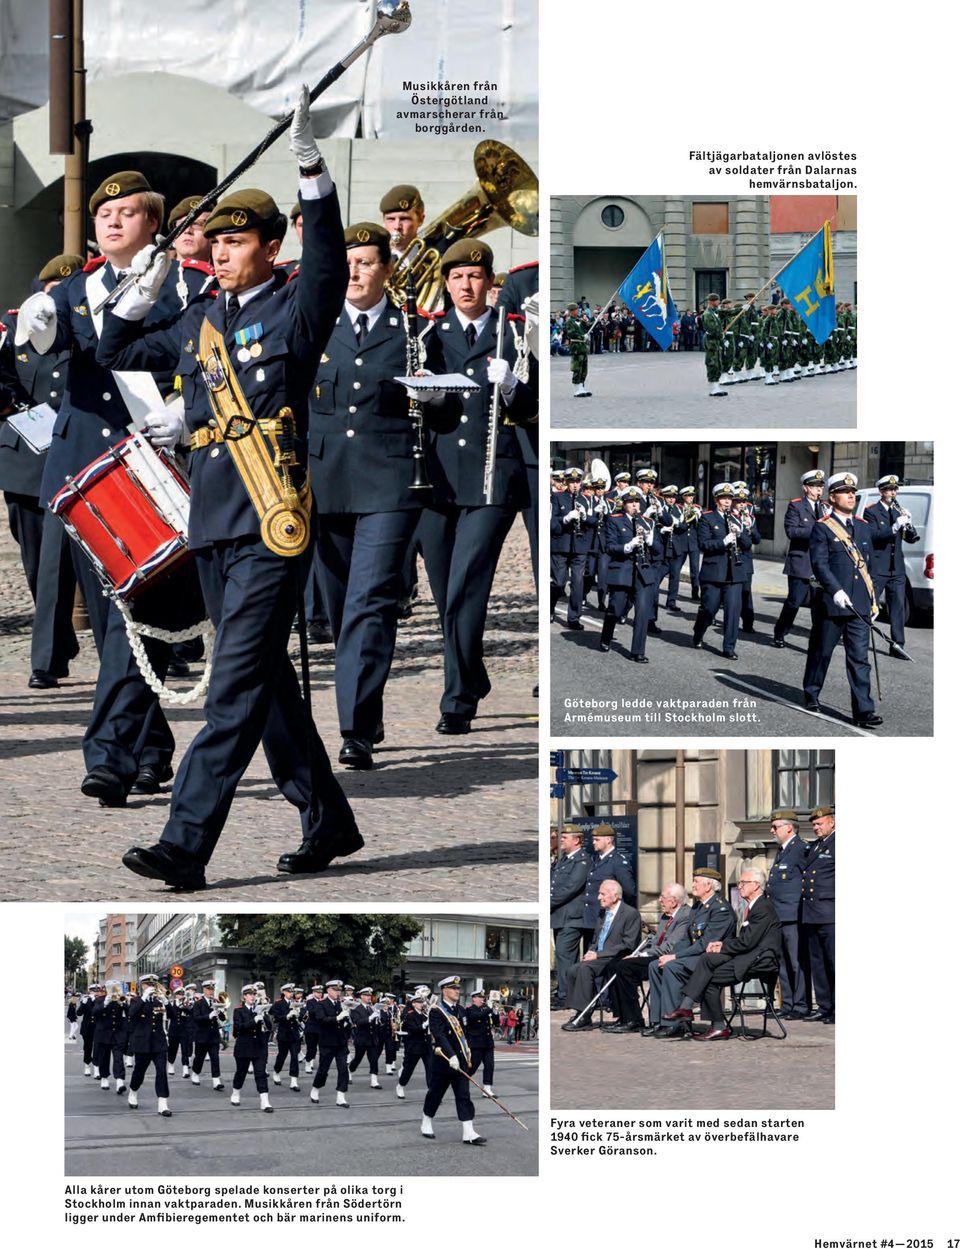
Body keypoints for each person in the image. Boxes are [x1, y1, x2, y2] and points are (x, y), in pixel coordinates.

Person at [96, 89, 362, 887]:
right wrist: (141, 282)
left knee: (234, 688)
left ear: (271, 246)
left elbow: (327, 261)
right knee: (268, 686)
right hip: (211, 520)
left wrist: (311, 166)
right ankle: (328, 819)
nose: (219, 251)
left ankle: (186, 843)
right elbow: (117, 345)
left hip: (272, 520)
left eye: (237, 240)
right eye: (215, 241)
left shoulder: (296, 307)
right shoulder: (202, 320)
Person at [19, 172, 194, 806]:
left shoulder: (187, 285)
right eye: (104, 213)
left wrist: (186, 412)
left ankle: (110, 756)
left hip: (159, 462)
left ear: (153, 222)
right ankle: (150, 750)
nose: (112, 222)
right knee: (113, 620)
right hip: (92, 470)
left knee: (133, 614)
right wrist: (39, 325)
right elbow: (47, 353)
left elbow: (198, 362)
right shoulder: (72, 289)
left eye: (126, 212)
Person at [308, 221, 458, 769]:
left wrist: (436, 397)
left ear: (386, 270)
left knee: (370, 602)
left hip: (389, 485)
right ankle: (367, 716)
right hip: (325, 484)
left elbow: (450, 411)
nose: (354, 271)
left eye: (367, 262)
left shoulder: (415, 332)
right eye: (348, 262)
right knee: (340, 604)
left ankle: (354, 727)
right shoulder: (314, 325)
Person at [416, 238, 538, 735]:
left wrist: (512, 384)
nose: (466, 285)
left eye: (475, 276)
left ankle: (458, 700)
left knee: (467, 587)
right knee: (446, 595)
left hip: (492, 477)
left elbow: (532, 408)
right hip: (436, 479)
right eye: (457, 277)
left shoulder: (514, 336)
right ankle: (474, 674)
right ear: (446, 283)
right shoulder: (428, 336)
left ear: (491, 282)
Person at [0, 253, 82, 690]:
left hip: (69, 457)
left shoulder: (85, 329)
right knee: (34, 564)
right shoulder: (12, 329)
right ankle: (61, 641)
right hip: (23, 457)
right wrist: (14, 405)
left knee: (54, 563)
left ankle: (45, 660)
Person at [661, 865, 782, 1041]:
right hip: (749, 955)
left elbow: (748, 942)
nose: (739, 886)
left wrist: (722, 946)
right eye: (740, 882)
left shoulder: (762, 907)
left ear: (756, 885)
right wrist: (722, 944)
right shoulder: (753, 906)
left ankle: (709, 1020)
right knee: (708, 964)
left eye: (744, 882)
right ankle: (703, 1018)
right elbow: (746, 939)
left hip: (759, 960)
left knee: (708, 973)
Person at [802, 472, 882, 726]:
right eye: (845, 492)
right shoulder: (823, 527)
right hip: (832, 604)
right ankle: (811, 692)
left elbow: (869, 566)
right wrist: (835, 590)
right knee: (821, 652)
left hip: (859, 605)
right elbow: (820, 564)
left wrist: (873, 598)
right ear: (832, 497)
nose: (851, 496)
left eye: (853, 492)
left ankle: (863, 712)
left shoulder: (863, 527)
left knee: (859, 659)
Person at [648, 868, 735, 1038]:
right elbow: (688, 939)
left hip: (712, 958)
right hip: (696, 955)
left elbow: (705, 943)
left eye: (696, 881)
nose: (692, 885)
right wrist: (669, 954)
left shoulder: (720, 909)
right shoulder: (698, 907)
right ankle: (658, 1020)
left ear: (709, 885)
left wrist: (675, 957)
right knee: (655, 965)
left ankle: (674, 1024)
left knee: (673, 966)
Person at [602, 883, 691, 1032]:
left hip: (668, 957)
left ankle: (633, 1019)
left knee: (625, 967)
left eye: (662, 897)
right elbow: (656, 941)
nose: (659, 900)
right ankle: (623, 1016)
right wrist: (637, 954)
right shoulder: (665, 916)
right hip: (654, 955)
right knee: (613, 964)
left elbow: (670, 946)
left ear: (674, 901)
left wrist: (642, 955)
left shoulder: (685, 916)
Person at [560, 879, 642, 1031]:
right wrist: (591, 951)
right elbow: (597, 938)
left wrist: (599, 955)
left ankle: (585, 1014)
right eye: (599, 893)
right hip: (599, 956)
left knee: (585, 970)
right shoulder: (603, 913)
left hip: (616, 957)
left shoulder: (630, 914)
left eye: (602, 894)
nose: (598, 897)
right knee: (573, 970)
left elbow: (628, 944)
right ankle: (580, 1010)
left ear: (615, 896)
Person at [598, 485, 663, 662]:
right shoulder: (614, 520)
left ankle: (638, 651)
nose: (634, 505)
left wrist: (651, 541)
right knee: (616, 609)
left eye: (637, 502)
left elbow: (659, 552)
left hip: (643, 573)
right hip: (622, 571)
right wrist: (627, 546)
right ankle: (606, 635)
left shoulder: (648, 522)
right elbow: (609, 547)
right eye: (630, 502)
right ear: (624, 504)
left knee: (642, 612)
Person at [692, 483, 756, 659]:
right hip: (714, 573)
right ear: (716, 500)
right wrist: (723, 542)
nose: (727, 502)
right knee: (709, 609)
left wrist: (741, 533)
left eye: (729, 499)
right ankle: (699, 631)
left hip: (735, 573)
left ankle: (729, 647)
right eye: (723, 499)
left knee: (733, 611)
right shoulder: (707, 518)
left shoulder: (736, 518)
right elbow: (703, 544)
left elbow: (749, 544)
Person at [421, 975, 485, 1144]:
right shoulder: (436, 1011)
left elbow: (466, 1034)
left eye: (458, 988)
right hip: (444, 1061)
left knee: (464, 1095)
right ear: (444, 990)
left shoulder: (461, 1010)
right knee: (436, 1094)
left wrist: (466, 1053)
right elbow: (440, 1036)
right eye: (454, 988)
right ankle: (426, 1120)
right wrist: (452, 1056)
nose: (457, 991)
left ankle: (468, 1132)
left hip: (461, 1061)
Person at [863, 474, 919, 657]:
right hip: (878, 567)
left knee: (897, 608)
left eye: (895, 490)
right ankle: (860, 638)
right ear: (881, 491)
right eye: (889, 490)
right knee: (869, 605)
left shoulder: (898, 512)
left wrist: (909, 523)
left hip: (897, 568)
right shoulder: (871, 511)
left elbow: (910, 539)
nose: (893, 493)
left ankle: (897, 645)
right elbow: (872, 536)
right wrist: (894, 527)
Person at [773, 470, 827, 647]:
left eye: (820, 487)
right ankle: (780, 631)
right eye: (814, 487)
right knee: (794, 602)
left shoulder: (825, 507)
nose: (818, 490)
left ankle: (818, 639)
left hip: (820, 564)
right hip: (801, 562)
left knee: (819, 606)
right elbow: (792, 531)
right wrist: (817, 530)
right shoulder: (796, 506)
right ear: (805, 488)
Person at [766, 809, 811, 1019]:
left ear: (789, 827)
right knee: (783, 963)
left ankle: (801, 1005)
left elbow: (809, 881)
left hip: (793, 915)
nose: (772, 830)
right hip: (779, 916)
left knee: (796, 962)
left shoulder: (801, 849)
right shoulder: (783, 850)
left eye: (775, 827)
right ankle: (788, 1004)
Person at [801, 805, 835, 1024]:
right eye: (813, 824)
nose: (815, 827)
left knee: (834, 961)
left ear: (831, 822)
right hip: (812, 913)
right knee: (818, 963)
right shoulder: (815, 847)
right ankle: (825, 1006)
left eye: (819, 823)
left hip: (831, 911)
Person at [550, 825, 590, 1008]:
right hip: (560, 916)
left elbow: (570, 888)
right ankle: (567, 992)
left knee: (564, 955)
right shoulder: (564, 860)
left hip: (572, 917)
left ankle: (566, 995)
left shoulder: (582, 860)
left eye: (565, 837)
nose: (561, 839)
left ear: (577, 840)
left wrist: (548, 902)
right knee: (566, 958)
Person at [550, 466, 592, 628]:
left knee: (577, 583)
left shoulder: (585, 499)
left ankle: (574, 618)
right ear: (566, 482)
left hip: (579, 547)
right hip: (561, 545)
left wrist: (586, 517)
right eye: (572, 481)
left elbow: (594, 524)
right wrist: (565, 519)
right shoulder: (557, 498)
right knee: (559, 583)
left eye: (577, 481)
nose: (575, 485)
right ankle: (550, 608)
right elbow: (552, 524)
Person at [126, 975, 172, 1116]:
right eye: (147, 984)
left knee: (161, 1072)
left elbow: (174, 1017)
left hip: (158, 1042)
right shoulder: (136, 1000)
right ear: (142, 986)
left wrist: (166, 1001)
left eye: (153, 984)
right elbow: (131, 1014)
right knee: (139, 1072)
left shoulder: (159, 1001)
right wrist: (144, 997)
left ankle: (162, 1104)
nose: (151, 987)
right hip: (142, 1043)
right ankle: (133, 1091)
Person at [580, 824, 636, 938]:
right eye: (593, 839)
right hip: (591, 919)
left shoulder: (618, 862)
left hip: (607, 918)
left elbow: (629, 891)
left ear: (608, 840)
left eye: (597, 839)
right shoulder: (596, 860)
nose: (593, 842)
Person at [308, 980, 352, 1107]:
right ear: (328, 991)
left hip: (340, 1042)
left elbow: (347, 1024)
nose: (338, 993)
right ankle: (316, 1088)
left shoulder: (341, 1004)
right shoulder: (321, 1004)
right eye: (335, 990)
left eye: (339, 990)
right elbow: (321, 1020)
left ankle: (341, 1096)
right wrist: (337, 1018)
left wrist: (346, 1021)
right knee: (323, 1069)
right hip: (327, 1042)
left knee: (343, 1069)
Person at [230, 986, 274, 1111]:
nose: (253, 997)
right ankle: (236, 1093)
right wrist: (254, 1020)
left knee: (260, 1073)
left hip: (258, 1047)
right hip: (244, 1047)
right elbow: (238, 1028)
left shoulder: (259, 1009)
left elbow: (269, 1027)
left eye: (254, 994)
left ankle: (264, 1101)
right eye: (249, 994)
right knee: (241, 1072)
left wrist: (264, 1015)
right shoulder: (238, 1010)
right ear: (244, 996)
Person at [92, 983, 129, 1094]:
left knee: (118, 1058)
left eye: (115, 989)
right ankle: (104, 1078)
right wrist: (105, 1003)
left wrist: (122, 1004)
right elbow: (94, 1013)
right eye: (111, 989)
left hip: (118, 1034)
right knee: (104, 1057)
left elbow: (129, 1013)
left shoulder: (121, 999)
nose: (113, 991)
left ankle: (119, 1081)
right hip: (103, 1034)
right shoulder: (101, 1000)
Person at [189, 980, 226, 1090]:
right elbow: (196, 1019)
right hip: (202, 1035)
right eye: (209, 989)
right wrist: (208, 1016)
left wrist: (221, 1011)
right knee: (199, 1058)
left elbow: (223, 1019)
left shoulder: (216, 1002)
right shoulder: (198, 1003)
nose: (211, 992)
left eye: (212, 989)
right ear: (204, 990)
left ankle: (216, 1080)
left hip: (213, 1036)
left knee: (215, 1058)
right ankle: (195, 1073)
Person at [396, 992, 432, 1099]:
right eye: (419, 1002)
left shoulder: (425, 1014)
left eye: (422, 1002)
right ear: (414, 1003)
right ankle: (401, 1085)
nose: (422, 1004)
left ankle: (431, 1093)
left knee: (430, 1069)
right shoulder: (410, 1015)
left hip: (426, 1046)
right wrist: (425, 1024)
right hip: (414, 1046)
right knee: (408, 1069)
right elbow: (414, 1029)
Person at [348, 988, 384, 1088]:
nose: (369, 998)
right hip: (362, 1039)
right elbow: (357, 1022)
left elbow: (376, 1024)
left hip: (372, 1039)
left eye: (370, 996)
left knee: (374, 1059)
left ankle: (374, 1080)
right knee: (357, 1059)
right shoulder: (356, 1009)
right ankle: (349, 1071)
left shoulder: (371, 1008)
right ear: (362, 997)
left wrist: (378, 1018)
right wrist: (370, 1018)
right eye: (367, 996)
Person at [270, 983, 302, 1090]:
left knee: (294, 1056)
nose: (291, 994)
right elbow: (274, 1015)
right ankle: (276, 1071)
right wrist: (286, 1016)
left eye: (292, 992)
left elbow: (302, 1017)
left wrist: (298, 1014)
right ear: (284, 992)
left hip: (294, 1034)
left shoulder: (296, 1003)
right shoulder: (279, 1003)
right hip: (284, 1034)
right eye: (289, 992)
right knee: (282, 1055)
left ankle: (294, 1081)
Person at [464, 989, 496, 1094]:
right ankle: (461, 1080)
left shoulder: (485, 1009)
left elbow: (496, 1022)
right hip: (476, 1043)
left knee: (489, 1065)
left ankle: (487, 1088)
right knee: (473, 1065)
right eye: (480, 997)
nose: (482, 999)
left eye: (483, 997)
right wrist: (488, 1009)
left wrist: (494, 1012)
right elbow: (476, 1016)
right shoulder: (470, 1009)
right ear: (474, 999)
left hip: (487, 1042)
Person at [563, 303, 591, 398]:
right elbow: (571, 334)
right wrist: (582, 336)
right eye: (576, 310)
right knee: (577, 368)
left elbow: (587, 327)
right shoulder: (569, 322)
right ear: (571, 311)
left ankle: (581, 387)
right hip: (576, 347)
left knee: (584, 368)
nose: (578, 311)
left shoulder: (579, 320)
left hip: (582, 347)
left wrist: (586, 321)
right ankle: (576, 389)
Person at [702, 293, 727, 397]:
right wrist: (721, 336)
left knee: (718, 364)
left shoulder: (714, 312)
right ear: (712, 301)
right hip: (711, 341)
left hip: (715, 342)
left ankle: (716, 387)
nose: (719, 302)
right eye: (717, 300)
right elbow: (712, 329)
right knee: (712, 364)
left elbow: (727, 313)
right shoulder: (707, 314)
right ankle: (713, 388)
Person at [165, 988, 193, 1078]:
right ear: (175, 995)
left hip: (184, 1030)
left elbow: (189, 1013)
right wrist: (175, 1006)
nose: (181, 996)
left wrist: (185, 1006)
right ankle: (171, 1064)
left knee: (185, 1049)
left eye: (182, 994)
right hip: (173, 1030)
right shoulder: (171, 1003)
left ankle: (185, 1069)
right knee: (172, 1049)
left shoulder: (187, 1002)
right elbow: (169, 1015)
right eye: (179, 994)